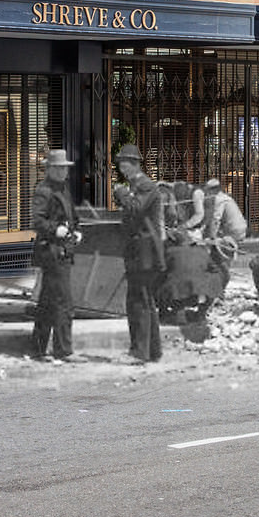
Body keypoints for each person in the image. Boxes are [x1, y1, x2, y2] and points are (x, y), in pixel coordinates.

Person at [114, 143, 166, 363]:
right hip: (141, 251)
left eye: (123, 162)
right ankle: (153, 351)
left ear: (133, 163)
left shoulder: (144, 185)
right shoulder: (137, 185)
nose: (120, 167)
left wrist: (121, 193)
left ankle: (139, 352)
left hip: (144, 252)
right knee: (145, 300)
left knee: (138, 302)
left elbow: (135, 209)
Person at [29, 148, 81, 362]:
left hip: (63, 249)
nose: (62, 171)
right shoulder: (44, 190)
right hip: (51, 250)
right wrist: (54, 230)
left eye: (64, 168)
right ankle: (63, 350)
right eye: (58, 168)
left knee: (48, 302)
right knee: (63, 302)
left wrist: (76, 230)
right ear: (48, 169)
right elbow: (37, 221)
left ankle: (38, 348)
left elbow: (72, 216)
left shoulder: (63, 189)